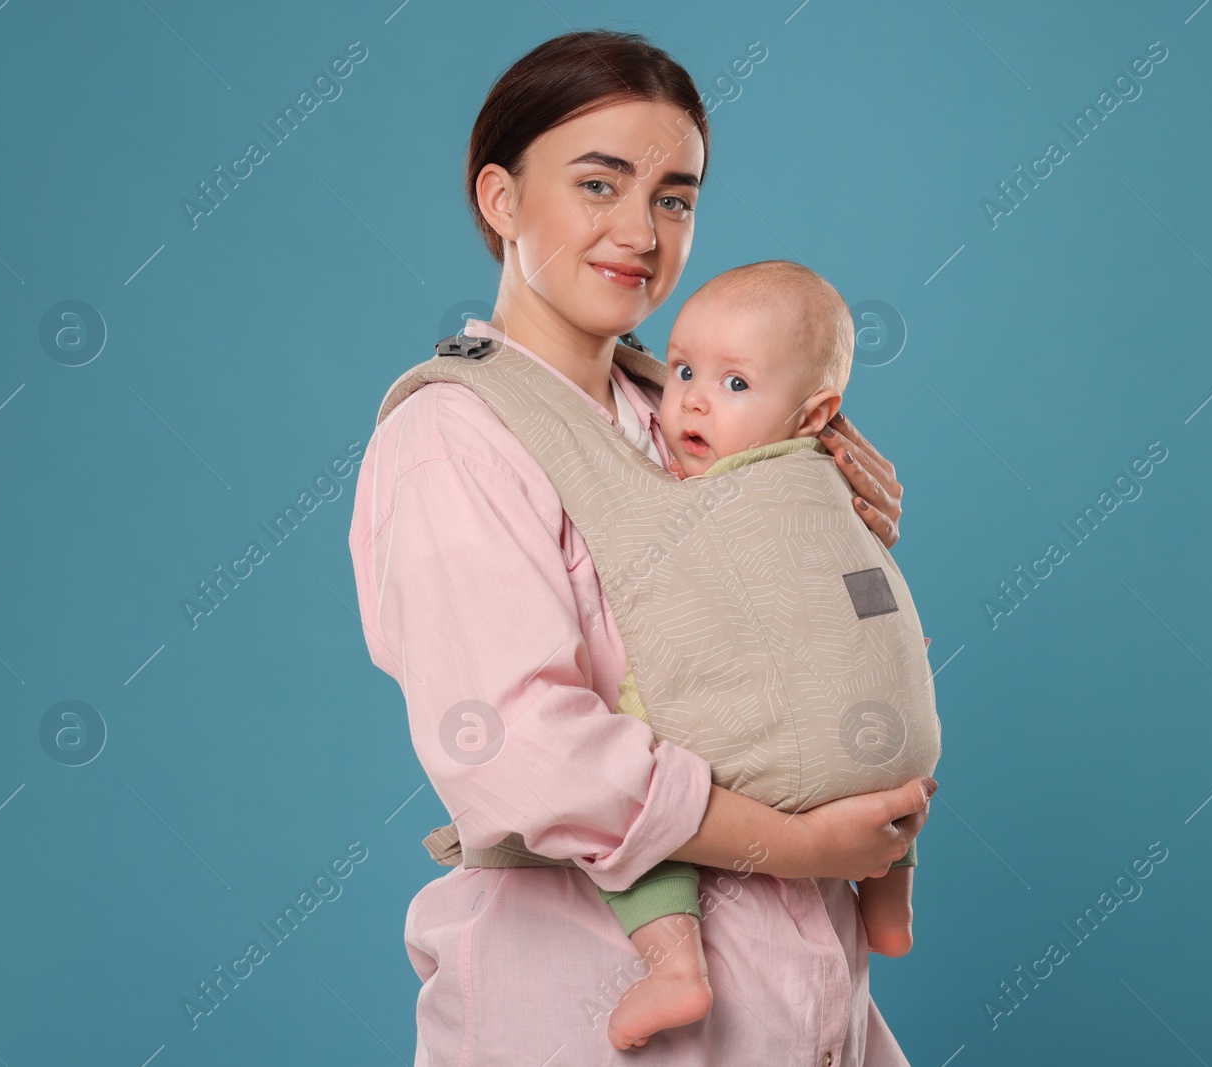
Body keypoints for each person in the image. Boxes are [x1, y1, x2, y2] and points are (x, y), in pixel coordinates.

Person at [349, 30, 930, 1066]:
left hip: (810, 1000)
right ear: (500, 200)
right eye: (598, 184)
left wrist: (828, 519)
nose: (640, 231)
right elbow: (520, 742)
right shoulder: (452, 437)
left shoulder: (707, 415)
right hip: (583, 1004)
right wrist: (802, 845)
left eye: (673, 196)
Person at [596, 260, 926, 1051]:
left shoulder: (708, 483)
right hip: (892, 744)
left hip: (762, 726)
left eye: (735, 384)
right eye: (682, 371)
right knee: (886, 743)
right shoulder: (821, 466)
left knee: (638, 769)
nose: (696, 399)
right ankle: (892, 900)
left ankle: (675, 965)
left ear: (816, 412)